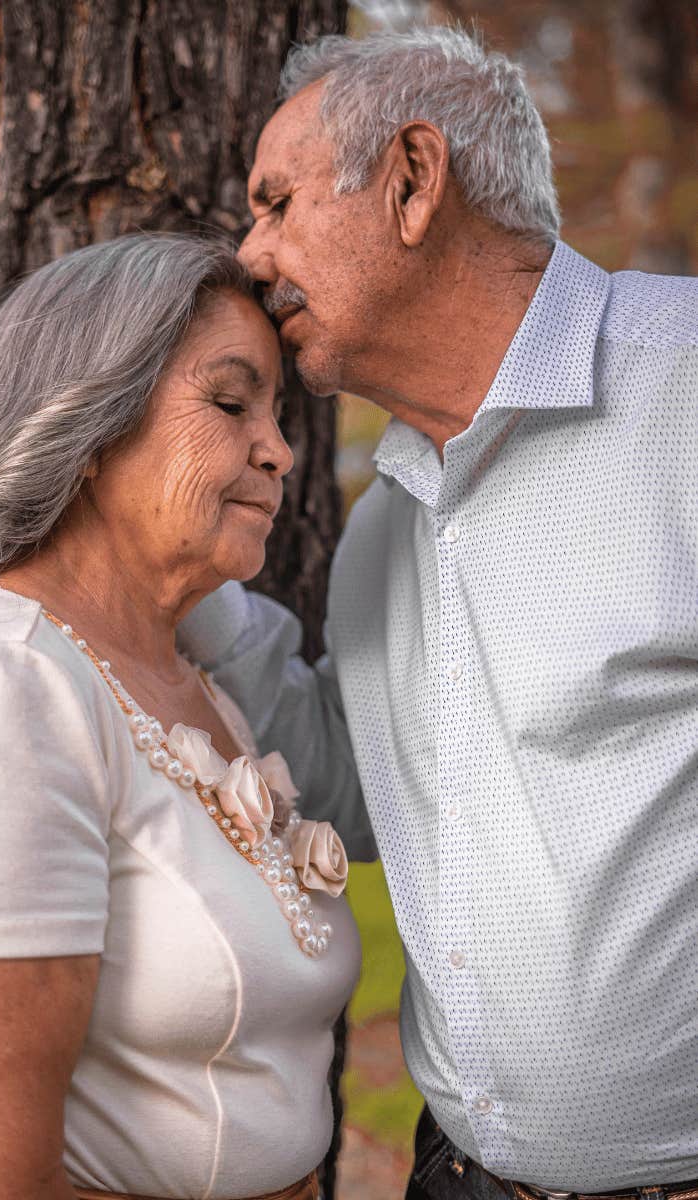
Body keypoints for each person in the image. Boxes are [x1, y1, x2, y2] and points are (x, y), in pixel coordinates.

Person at [177, 23, 698, 1200]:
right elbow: (365, 799)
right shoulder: (383, 527)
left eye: (276, 203)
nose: (251, 256)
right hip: (450, 1177)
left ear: (413, 180)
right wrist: (180, 573)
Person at [0, 233, 361, 1200]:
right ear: (86, 426)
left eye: (278, 415)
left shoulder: (185, 681)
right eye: (228, 402)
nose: (280, 451)